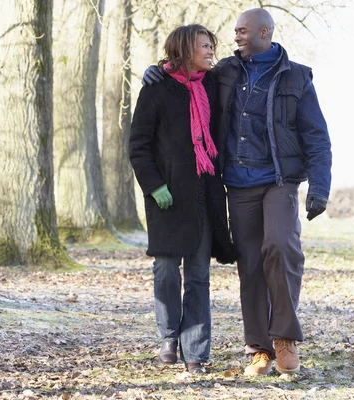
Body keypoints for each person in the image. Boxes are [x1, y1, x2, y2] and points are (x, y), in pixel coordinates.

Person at [142, 8, 332, 376]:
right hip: (238, 183)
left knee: (280, 247)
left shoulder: (296, 77)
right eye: (235, 32)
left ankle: (285, 338)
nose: (236, 37)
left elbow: (316, 136)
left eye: (242, 31)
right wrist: (157, 72)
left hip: (278, 180)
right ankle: (259, 348)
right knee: (250, 264)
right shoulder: (225, 73)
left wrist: (320, 186)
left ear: (265, 32)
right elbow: (186, 78)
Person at [129, 24, 237, 375]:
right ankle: (168, 335)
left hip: (205, 194)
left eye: (212, 46)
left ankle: (196, 353)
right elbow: (139, 146)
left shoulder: (214, 83)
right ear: (185, 49)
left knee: (198, 275)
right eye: (204, 46)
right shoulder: (157, 88)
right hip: (168, 197)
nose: (210, 51)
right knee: (164, 269)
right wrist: (154, 185)